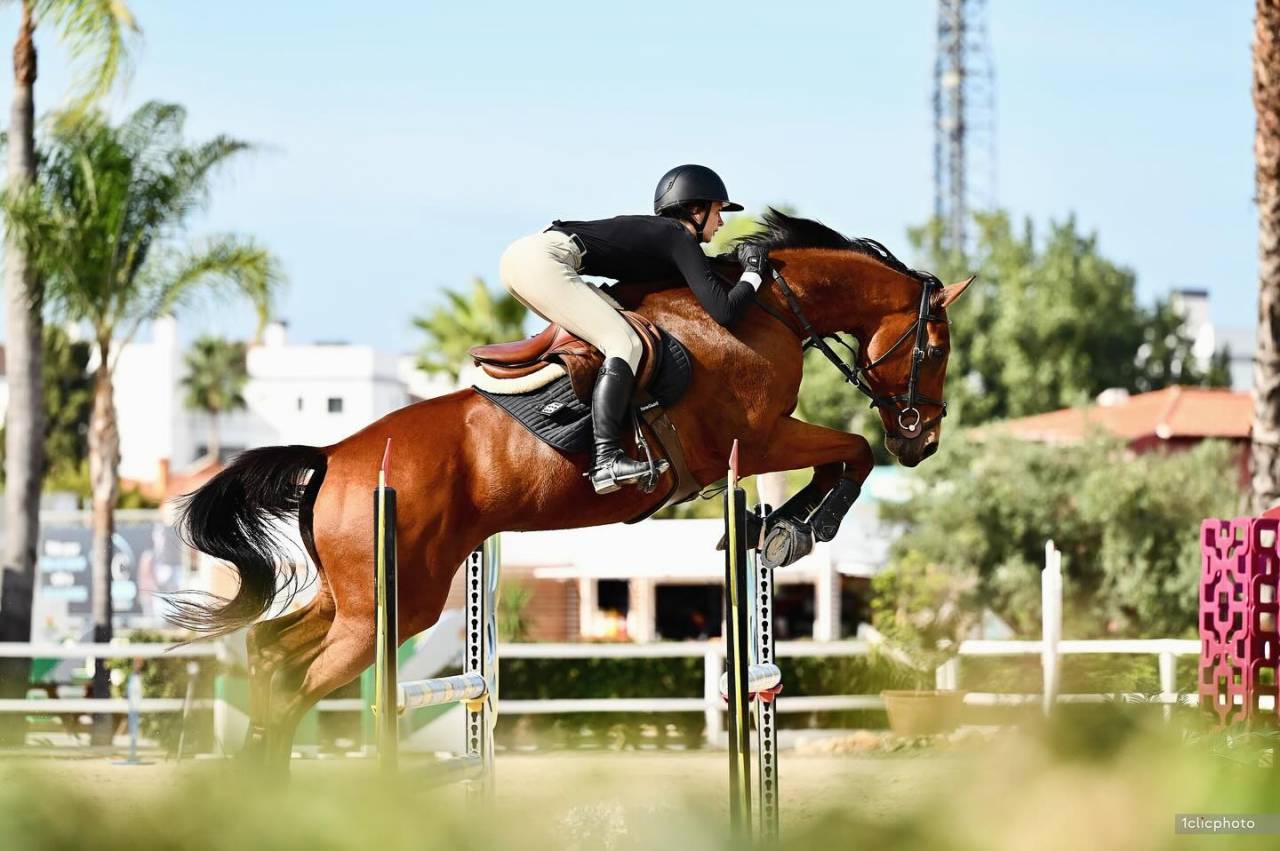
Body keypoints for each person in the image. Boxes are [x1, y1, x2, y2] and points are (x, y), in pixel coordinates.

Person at [499, 164, 770, 494]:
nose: (722, 221)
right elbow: (725, 311)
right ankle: (606, 461)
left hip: (526, 258)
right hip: (544, 260)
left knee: (610, 335)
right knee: (624, 343)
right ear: (696, 210)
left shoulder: (666, 238)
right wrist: (754, 272)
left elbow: (701, 281)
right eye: (718, 211)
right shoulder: (677, 235)